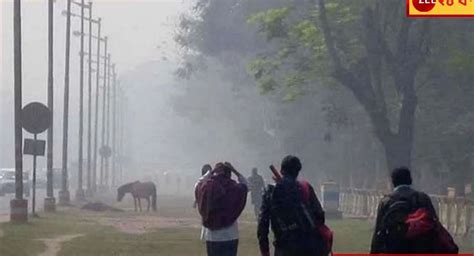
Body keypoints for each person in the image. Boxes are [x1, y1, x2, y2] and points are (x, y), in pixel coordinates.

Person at [370, 166, 456, 253]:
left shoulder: (386, 202)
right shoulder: (422, 198)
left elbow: (378, 232)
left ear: (393, 182)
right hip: (420, 248)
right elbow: (435, 224)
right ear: (410, 180)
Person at [258, 155, 327, 256]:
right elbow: (320, 216)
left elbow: (262, 225)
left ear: (281, 170)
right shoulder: (305, 188)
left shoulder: (270, 192)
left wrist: (265, 251)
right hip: (308, 246)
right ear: (298, 171)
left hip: (283, 248)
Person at [195, 162, 248, 256]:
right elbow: (246, 185)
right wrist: (235, 171)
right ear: (229, 174)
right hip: (231, 236)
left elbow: (198, 185)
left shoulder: (208, 188)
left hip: (212, 237)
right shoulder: (234, 188)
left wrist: (210, 173)